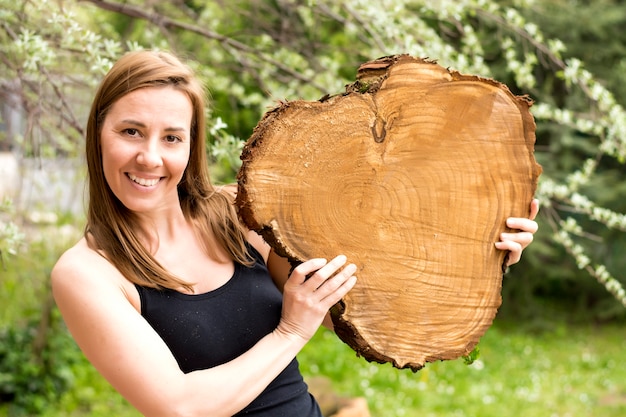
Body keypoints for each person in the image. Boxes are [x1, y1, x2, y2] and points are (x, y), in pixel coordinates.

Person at [51, 50, 539, 417]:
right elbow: (180, 405)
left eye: (172, 137)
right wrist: (290, 329)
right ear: (98, 133)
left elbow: (350, 306)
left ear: (190, 145)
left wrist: (481, 249)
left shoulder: (235, 213)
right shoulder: (87, 274)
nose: (151, 158)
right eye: (131, 132)